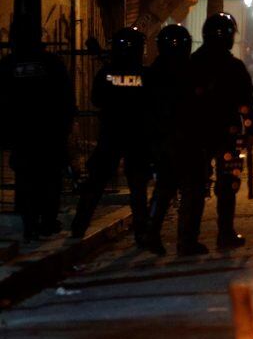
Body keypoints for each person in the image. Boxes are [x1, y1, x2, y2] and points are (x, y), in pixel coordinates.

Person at [176, 12, 253, 255]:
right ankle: (225, 234)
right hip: (224, 134)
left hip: (197, 134)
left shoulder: (192, 64)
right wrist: (250, 130)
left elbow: (180, 102)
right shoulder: (234, 67)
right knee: (225, 186)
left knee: (196, 187)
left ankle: (189, 239)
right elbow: (246, 103)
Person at [71, 27, 153, 247]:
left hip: (111, 135)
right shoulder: (145, 75)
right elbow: (153, 105)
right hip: (137, 136)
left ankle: (79, 226)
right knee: (138, 187)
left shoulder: (106, 74)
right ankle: (142, 232)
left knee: (95, 183)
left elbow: (96, 99)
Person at [0, 18, 76, 241]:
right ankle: (47, 221)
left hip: (22, 133)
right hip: (49, 132)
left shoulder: (8, 65)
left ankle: (30, 223)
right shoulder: (52, 63)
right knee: (50, 178)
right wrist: (65, 125)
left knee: (25, 179)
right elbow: (66, 97)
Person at [142, 24, 193, 255]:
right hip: (180, 138)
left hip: (163, 139)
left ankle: (152, 235)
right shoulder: (189, 70)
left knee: (164, 190)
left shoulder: (153, 71)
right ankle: (184, 241)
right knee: (188, 190)